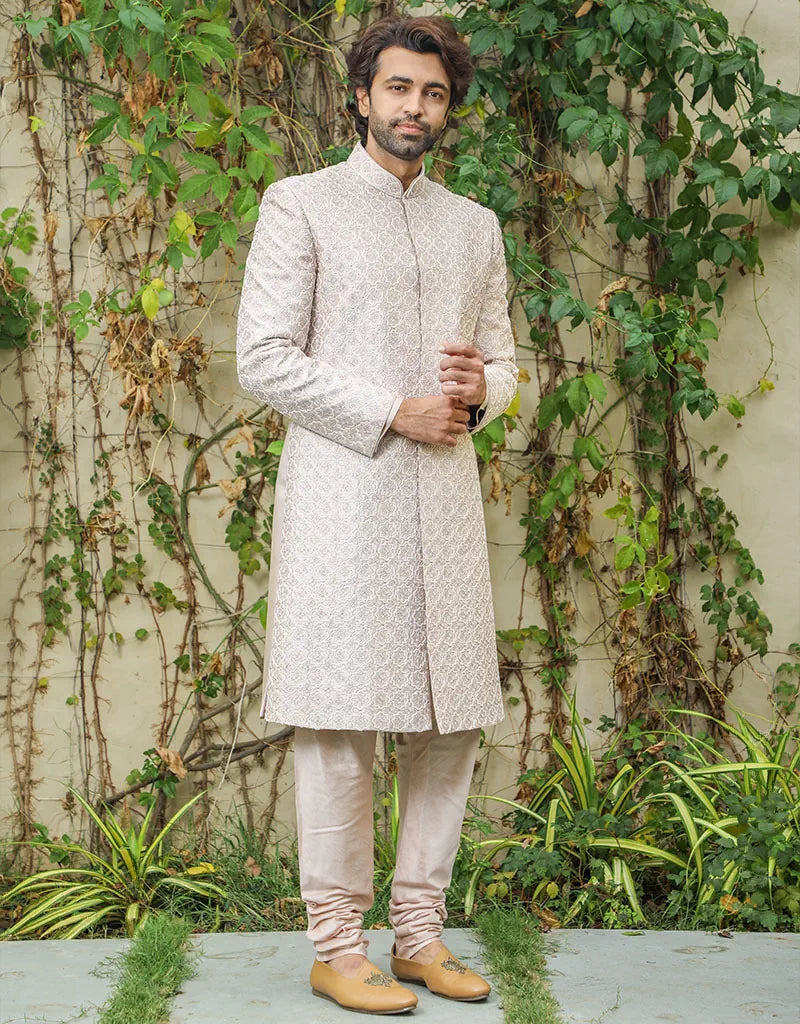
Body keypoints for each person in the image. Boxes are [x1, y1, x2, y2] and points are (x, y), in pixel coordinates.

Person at [236, 13, 519, 1015]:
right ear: (360, 96)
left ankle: (419, 936)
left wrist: (480, 391)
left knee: (447, 725)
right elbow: (264, 356)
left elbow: (504, 360)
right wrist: (389, 409)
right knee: (338, 724)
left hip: (441, 498)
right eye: (398, 88)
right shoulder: (300, 205)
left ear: (449, 108)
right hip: (342, 500)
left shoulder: (472, 224)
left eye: (433, 93)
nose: (415, 108)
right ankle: (334, 945)